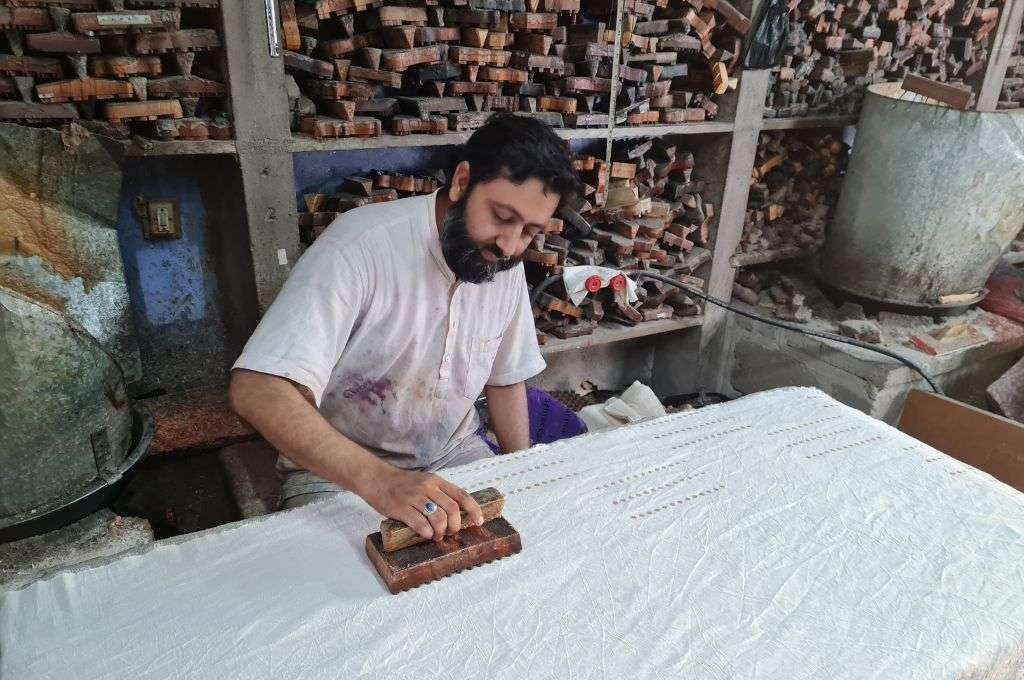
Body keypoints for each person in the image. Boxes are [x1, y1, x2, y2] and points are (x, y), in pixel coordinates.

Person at [229, 114, 579, 543]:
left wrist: (523, 472)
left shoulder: (501, 264)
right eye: (502, 216)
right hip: (344, 473)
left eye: (529, 231)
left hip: (454, 455)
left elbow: (505, 381)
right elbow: (256, 388)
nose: (510, 244)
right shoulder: (360, 247)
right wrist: (382, 482)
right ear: (463, 181)